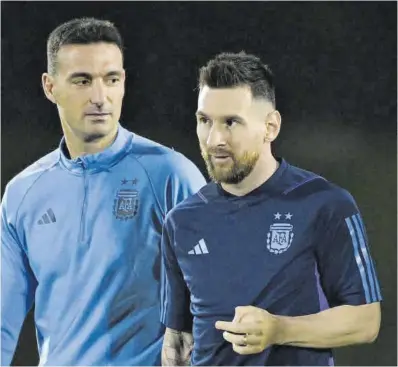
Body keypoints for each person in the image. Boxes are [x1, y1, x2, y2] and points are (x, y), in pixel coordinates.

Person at [1, 18, 206, 366]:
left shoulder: (171, 175)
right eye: (82, 81)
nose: (100, 97)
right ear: (50, 87)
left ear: (123, 82)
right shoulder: (23, 193)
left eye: (111, 80)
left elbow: (216, 295)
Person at [160, 52, 382, 366]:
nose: (215, 139)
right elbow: (179, 338)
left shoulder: (324, 204)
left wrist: (280, 329)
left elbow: (366, 321)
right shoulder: (182, 221)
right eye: (204, 121)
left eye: (231, 122)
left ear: (271, 127)